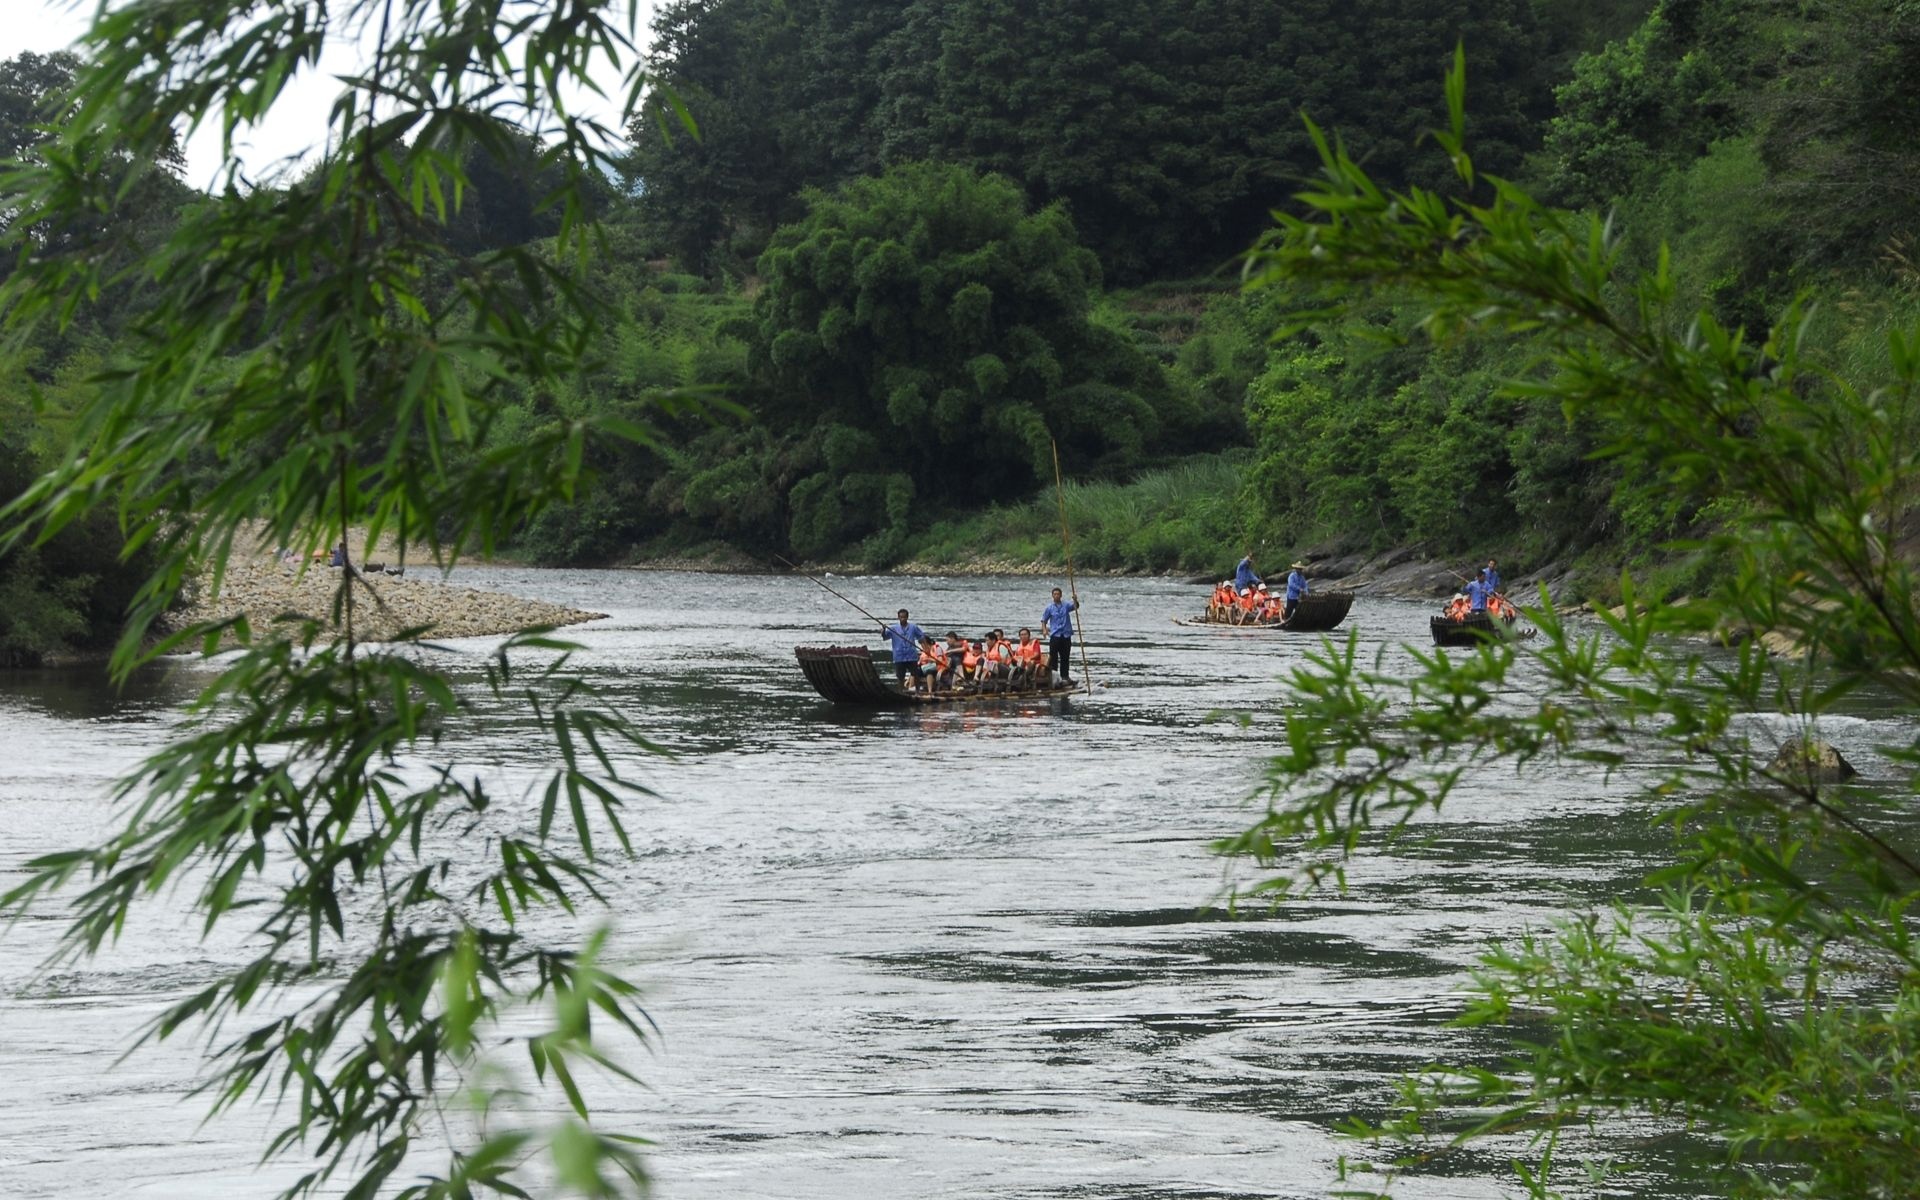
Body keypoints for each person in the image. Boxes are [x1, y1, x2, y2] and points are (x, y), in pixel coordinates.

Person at [879, 608, 929, 687]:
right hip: (899, 657)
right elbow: (885, 636)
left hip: (911, 656)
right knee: (900, 676)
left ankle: (917, 691)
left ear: (907, 617)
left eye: (904, 617)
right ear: (898, 618)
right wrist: (883, 630)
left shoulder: (913, 627)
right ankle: (901, 691)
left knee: (915, 674)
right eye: (901, 617)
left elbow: (921, 637)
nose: (903, 619)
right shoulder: (893, 629)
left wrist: (926, 649)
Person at [1041, 586, 1078, 682]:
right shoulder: (1049, 608)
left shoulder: (1066, 605)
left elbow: (1075, 607)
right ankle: (1054, 676)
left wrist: (1075, 600)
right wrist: (1044, 630)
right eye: (1055, 594)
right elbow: (1044, 620)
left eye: (1058, 594)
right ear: (1052, 596)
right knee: (1053, 657)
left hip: (1066, 635)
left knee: (1065, 657)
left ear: (1061, 595)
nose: (1056, 596)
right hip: (1055, 635)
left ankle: (1065, 676)